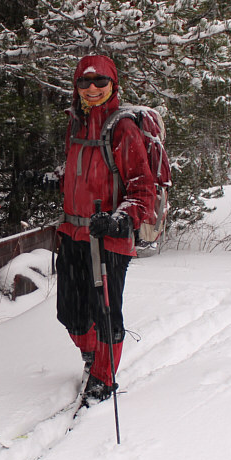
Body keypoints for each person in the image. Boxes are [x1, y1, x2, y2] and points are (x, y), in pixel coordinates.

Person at [55, 54, 156, 407]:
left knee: (106, 312)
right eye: (85, 82)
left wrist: (121, 220)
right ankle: (92, 353)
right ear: (76, 87)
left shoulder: (123, 128)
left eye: (101, 82)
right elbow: (80, 173)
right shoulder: (75, 125)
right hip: (72, 232)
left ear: (113, 84)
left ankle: (103, 377)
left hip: (108, 238)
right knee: (70, 313)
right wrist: (50, 180)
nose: (93, 89)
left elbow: (143, 190)